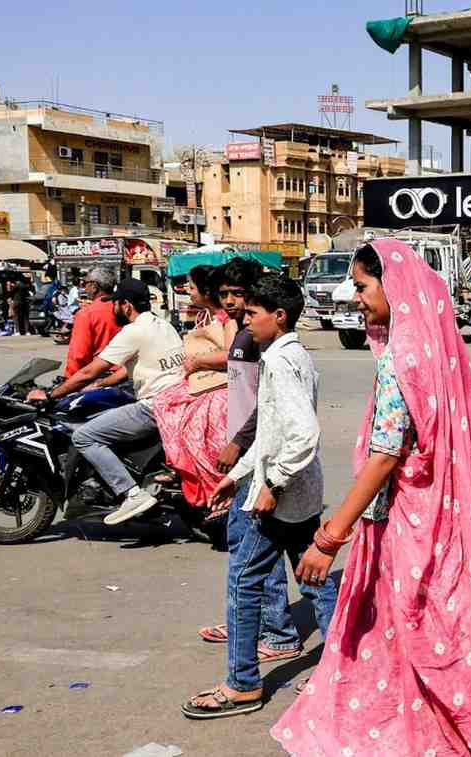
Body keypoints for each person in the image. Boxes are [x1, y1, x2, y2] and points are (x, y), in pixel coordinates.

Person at [271, 240, 471, 756]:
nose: (354, 297)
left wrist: (332, 535)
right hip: (445, 520)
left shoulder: (400, 359)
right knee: (432, 624)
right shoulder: (438, 350)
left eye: (361, 287)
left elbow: (385, 455)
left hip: (410, 524)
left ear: (394, 287)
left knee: (423, 627)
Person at [183, 274, 339, 720]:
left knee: (243, 583)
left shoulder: (283, 362)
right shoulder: (288, 356)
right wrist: (238, 475)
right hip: (298, 494)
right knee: (316, 580)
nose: (245, 322)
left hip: (280, 497)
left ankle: (242, 684)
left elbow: (303, 435)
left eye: (252, 314)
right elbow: (272, 432)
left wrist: (271, 485)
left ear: (280, 316)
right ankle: (337, 668)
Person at [193, 260, 304, 664]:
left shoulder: (268, 344)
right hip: (249, 456)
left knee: (258, 550)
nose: (230, 302)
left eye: (237, 295)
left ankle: (274, 632)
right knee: (252, 548)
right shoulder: (243, 334)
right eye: (224, 294)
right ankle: (250, 622)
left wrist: (239, 445)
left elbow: (268, 406)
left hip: (261, 456)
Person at [27, 278, 185, 525]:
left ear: (126, 305)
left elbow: (89, 370)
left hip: (154, 407)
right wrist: (102, 384)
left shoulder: (133, 331)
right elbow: (132, 366)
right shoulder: (163, 325)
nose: (113, 309)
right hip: (177, 400)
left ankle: (131, 494)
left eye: (116, 304)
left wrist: (50, 395)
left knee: (84, 436)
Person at [151, 266, 233, 508]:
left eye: (192, 287)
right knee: (165, 403)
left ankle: (210, 485)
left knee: (195, 429)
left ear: (207, 292)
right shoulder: (204, 318)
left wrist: (197, 361)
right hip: (202, 380)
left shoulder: (227, 320)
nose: (188, 291)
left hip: (218, 384)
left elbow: (230, 355)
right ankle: (181, 465)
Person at [64, 268, 122, 378]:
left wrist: (68, 381)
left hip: (100, 377)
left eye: (85, 283)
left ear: (95, 286)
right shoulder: (125, 308)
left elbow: (78, 355)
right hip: (126, 373)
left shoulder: (87, 314)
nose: (84, 287)